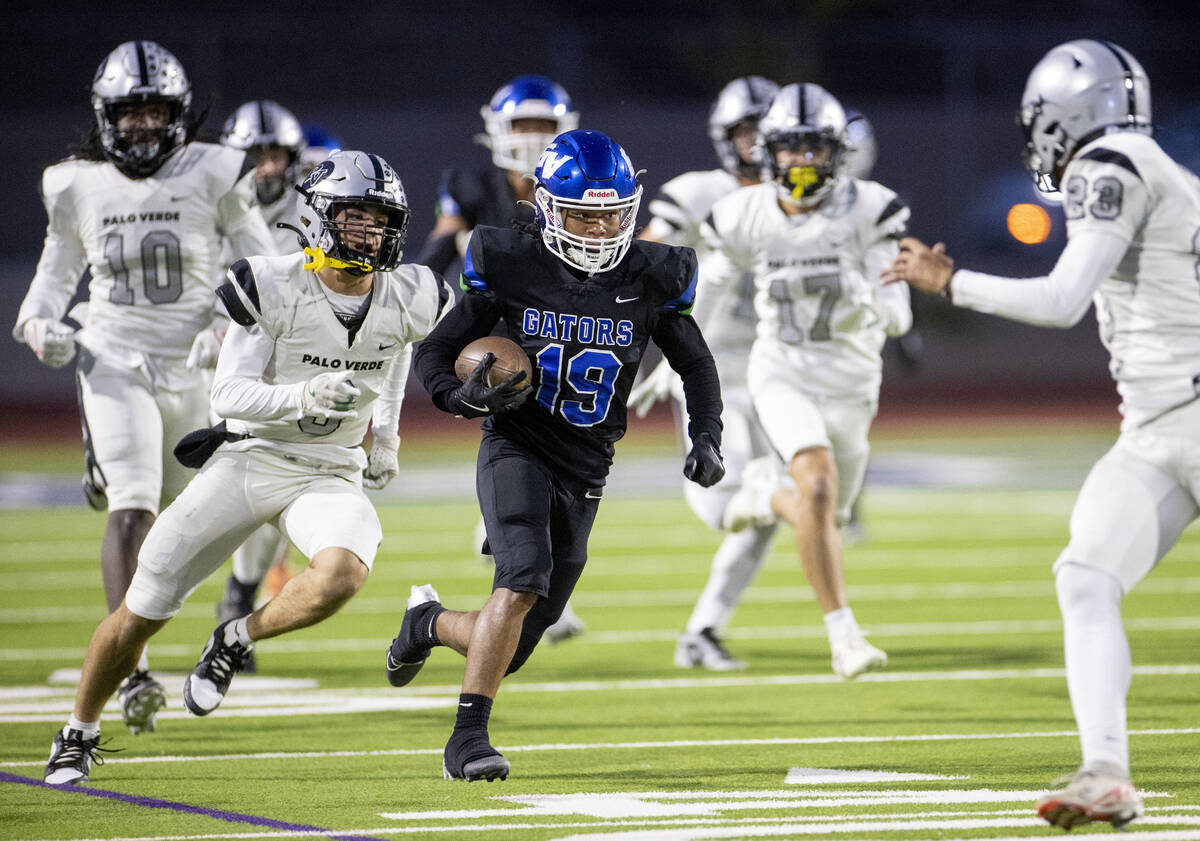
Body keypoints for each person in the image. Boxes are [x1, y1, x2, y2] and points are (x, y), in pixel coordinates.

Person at [42, 149, 451, 786]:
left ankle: (236, 637)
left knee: (343, 572)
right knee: (140, 609)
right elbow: (226, 397)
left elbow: (395, 351)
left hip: (329, 469)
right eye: (354, 217)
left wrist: (389, 437)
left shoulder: (412, 294)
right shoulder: (275, 282)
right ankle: (79, 732)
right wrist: (302, 395)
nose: (369, 232)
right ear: (318, 218)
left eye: (380, 221)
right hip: (250, 457)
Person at [884, 39, 1189, 831]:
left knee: (1087, 576)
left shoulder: (1111, 163)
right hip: (1160, 427)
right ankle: (1109, 771)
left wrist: (951, 281)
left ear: (1069, 114)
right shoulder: (1160, 169)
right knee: (1085, 575)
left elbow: (1062, 301)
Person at [392, 129, 725, 782]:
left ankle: (427, 622)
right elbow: (435, 349)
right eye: (581, 214)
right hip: (517, 440)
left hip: (588, 463)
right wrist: (456, 397)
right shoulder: (509, 259)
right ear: (546, 208)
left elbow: (696, 362)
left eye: (610, 214)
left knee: (514, 639)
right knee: (521, 579)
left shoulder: (651, 274)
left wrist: (707, 433)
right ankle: (467, 738)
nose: (598, 229)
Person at [12, 40, 277, 736]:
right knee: (130, 506)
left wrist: (225, 321)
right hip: (114, 355)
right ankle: (130, 667)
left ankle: (197, 611)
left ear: (179, 115)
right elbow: (56, 267)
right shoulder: (76, 184)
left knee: (178, 515)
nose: (141, 126)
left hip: (195, 363)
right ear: (106, 116)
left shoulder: (216, 171)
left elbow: (263, 266)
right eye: (129, 113)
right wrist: (39, 321)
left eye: (155, 111)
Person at [702, 83, 912, 680]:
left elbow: (892, 289)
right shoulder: (746, 213)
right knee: (817, 487)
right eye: (790, 148)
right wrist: (676, 355)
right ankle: (844, 637)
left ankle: (761, 491)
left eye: (813, 147)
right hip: (782, 370)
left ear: (836, 152)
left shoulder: (868, 207)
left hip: (851, 381)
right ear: (770, 153)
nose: (801, 161)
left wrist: (889, 306)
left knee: (829, 513)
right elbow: (714, 285)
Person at [417, 75, 588, 643]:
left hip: (558, 332)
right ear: (497, 129)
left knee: (567, 450)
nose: (534, 138)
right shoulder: (471, 184)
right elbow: (442, 245)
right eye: (523, 126)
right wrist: (410, 287)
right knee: (522, 445)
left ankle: (518, 563)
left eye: (545, 126)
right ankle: (514, 557)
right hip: (493, 328)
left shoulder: (577, 187)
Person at [628, 75, 781, 670]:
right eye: (748, 131)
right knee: (730, 505)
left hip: (778, 362)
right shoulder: (697, 192)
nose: (759, 142)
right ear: (726, 136)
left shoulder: (796, 200)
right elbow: (638, 256)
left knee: (777, 507)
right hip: (708, 362)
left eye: (768, 130)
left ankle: (703, 631)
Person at [216, 99, 312, 669]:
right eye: (255, 153)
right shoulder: (209, 204)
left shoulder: (316, 211)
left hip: (286, 374)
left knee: (272, 495)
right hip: (209, 362)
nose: (267, 166)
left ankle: (241, 595)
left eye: (276, 154)